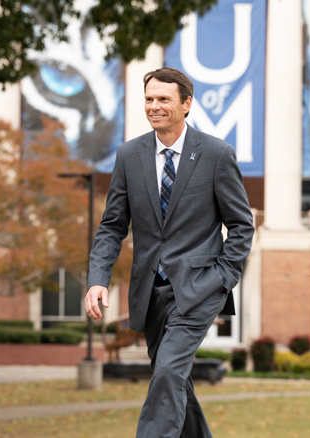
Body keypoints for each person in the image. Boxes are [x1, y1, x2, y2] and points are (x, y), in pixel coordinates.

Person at [85, 67, 254, 438]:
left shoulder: (216, 154)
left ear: (186, 104)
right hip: (150, 291)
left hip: (199, 287)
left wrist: (222, 278)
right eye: (149, 99)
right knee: (172, 377)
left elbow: (242, 225)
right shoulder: (129, 155)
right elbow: (112, 226)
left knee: (167, 372)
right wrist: (98, 280)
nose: (154, 106)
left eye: (163, 99)